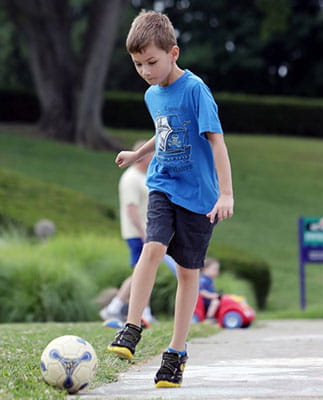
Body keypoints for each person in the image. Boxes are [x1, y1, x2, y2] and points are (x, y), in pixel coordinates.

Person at [107, 10, 234, 388]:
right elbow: (162, 131)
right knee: (152, 248)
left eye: (151, 62)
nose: (145, 71)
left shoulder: (195, 90)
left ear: (173, 53)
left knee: (187, 273)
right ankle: (131, 327)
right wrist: (138, 155)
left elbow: (217, 141)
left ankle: (176, 352)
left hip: (199, 197)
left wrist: (226, 192)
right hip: (163, 184)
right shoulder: (151, 94)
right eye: (137, 64)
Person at [100, 140, 177, 324]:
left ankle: (123, 308)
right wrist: (143, 231)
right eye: (151, 154)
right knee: (143, 271)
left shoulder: (144, 176)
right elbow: (131, 208)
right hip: (138, 233)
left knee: (143, 271)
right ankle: (120, 307)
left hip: (149, 230)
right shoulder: (131, 178)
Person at [193, 258, 221, 323]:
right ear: (206, 269)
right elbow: (201, 291)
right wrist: (211, 296)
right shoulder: (203, 280)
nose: (217, 272)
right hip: (204, 301)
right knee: (215, 302)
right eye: (215, 269)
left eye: (217, 270)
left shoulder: (210, 279)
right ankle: (209, 317)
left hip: (208, 300)